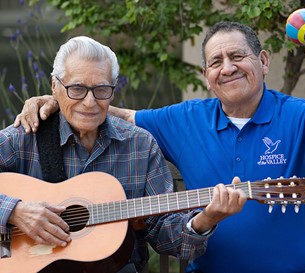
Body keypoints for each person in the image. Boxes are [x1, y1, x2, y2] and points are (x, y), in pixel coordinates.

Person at [12, 21, 305, 273]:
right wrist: (57, 103)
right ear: (207, 77)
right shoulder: (185, 119)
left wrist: (206, 219)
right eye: (216, 62)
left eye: (238, 57)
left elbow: (165, 230)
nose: (227, 68)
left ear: (264, 61)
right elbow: (105, 110)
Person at [0, 35, 247, 273]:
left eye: (101, 89)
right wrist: (15, 211)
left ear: (114, 90)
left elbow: (165, 235)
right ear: (55, 86)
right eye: (76, 89)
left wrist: (206, 219)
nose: (89, 102)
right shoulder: (27, 135)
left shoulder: (139, 145)